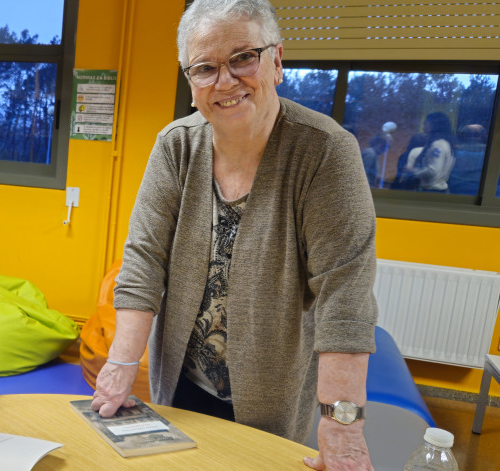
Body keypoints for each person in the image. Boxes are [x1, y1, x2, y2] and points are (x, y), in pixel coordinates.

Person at [89, 2, 377, 471]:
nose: (225, 81)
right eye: (205, 68)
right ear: (190, 81)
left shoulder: (326, 152)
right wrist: (121, 366)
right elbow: (144, 260)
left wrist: (342, 424)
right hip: (179, 383)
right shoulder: (176, 145)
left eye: (243, 57)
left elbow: (344, 298)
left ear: (277, 61)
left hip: (271, 393)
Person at [404, 112, 456, 192]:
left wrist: (413, 172)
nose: (423, 127)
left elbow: (433, 170)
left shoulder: (438, 145)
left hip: (431, 190)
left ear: (434, 125)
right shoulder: (445, 143)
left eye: (426, 123)